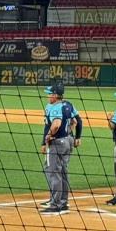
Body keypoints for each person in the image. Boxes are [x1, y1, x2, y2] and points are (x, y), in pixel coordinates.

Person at [40, 84, 77, 215]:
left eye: (49, 94)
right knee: (62, 173)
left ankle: (55, 204)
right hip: (67, 141)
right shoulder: (67, 106)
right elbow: (74, 122)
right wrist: (68, 133)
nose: (48, 96)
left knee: (53, 172)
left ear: (55, 95)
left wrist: (48, 136)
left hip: (57, 143)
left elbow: (56, 125)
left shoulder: (56, 107)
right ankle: (63, 202)